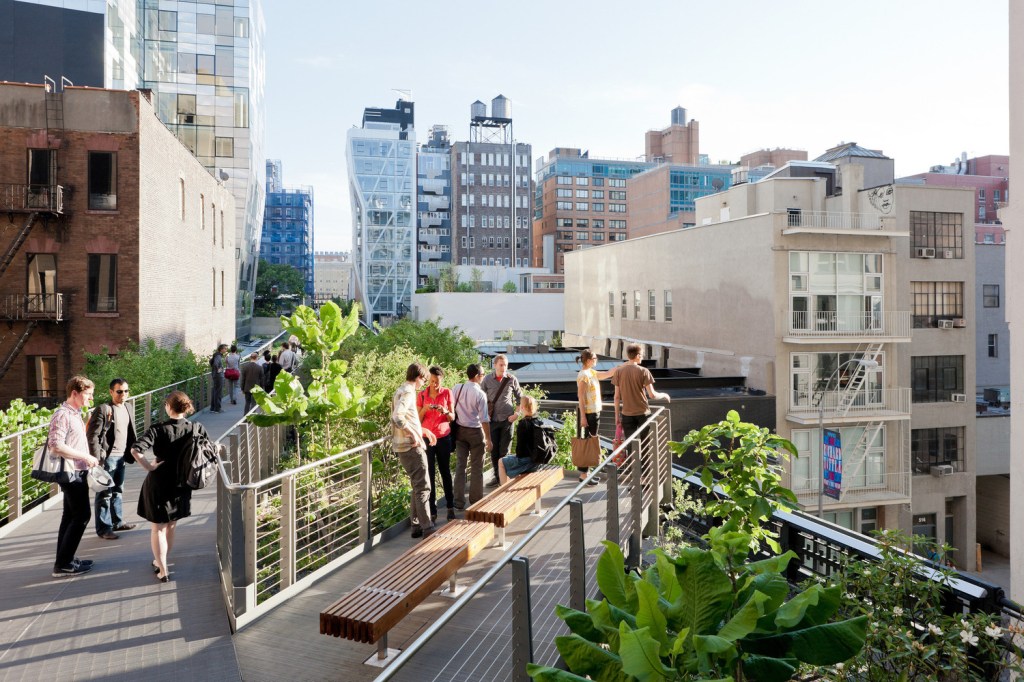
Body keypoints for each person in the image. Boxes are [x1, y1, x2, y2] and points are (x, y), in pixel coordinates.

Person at [133, 390, 210, 582]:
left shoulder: (158, 429)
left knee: (158, 527)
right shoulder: (196, 427)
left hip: (159, 482)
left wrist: (149, 466)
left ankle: (162, 568)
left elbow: (135, 449)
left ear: (168, 407)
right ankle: (161, 563)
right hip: (182, 482)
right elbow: (209, 448)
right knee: (172, 525)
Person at [48, 376, 100, 577]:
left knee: (69, 516)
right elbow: (56, 445)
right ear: (75, 393)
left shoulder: (75, 413)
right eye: (88, 394)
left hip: (77, 471)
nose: (90, 398)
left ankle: (64, 560)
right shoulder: (62, 415)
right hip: (71, 473)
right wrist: (86, 456)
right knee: (81, 516)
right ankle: (63, 564)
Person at [87, 378, 138, 539]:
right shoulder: (104, 409)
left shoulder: (128, 407)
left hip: (122, 456)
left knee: (117, 491)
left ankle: (117, 522)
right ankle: (104, 529)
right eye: (119, 391)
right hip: (108, 458)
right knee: (104, 494)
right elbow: (92, 435)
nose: (123, 394)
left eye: (126, 391)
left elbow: (130, 432)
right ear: (111, 392)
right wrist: (97, 459)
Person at [391, 363, 437, 539]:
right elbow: (398, 417)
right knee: (423, 486)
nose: (423, 384)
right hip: (412, 447)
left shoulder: (400, 390)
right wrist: (414, 435)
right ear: (418, 377)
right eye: (424, 380)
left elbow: (407, 418)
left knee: (416, 486)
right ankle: (428, 528)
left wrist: (422, 431)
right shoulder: (410, 392)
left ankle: (416, 525)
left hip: (402, 446)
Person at [612, 344, 670, 456]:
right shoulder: (644, 371)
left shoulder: (618, 372)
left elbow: (616, 397)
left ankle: (632, 471)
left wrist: (617, 417)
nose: (642, 357)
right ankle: (645, 472)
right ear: (637, 355)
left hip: (626, 414)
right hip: (643, 413)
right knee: (645, 446)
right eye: (642, 355)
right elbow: (652, 395)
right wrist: (664, 394)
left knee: (630, 445)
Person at [417, 366, 455, 522]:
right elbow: (417, 420)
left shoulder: (447, 393)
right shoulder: (422, 395)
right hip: (427, 438)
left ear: (442, 380)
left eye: (437, 381)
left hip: (443, 437)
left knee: (445, 472)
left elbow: (452, 417)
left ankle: (450, 507)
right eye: (432, 381)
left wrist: (444, 411)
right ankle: (432, 511)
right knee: (429, 474)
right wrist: (425, 409)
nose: (434, 384)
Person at [451, 364, 492, 509]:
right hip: (475, 432)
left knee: (460, 467)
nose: (483, 376)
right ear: (476, 376)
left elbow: (450, 407)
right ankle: (475, 502)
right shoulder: (480, 394)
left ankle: (458, 502)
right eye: (482, 374)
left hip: (460, 431)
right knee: (476, 468)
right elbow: (484, 419)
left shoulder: (457, 388)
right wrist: (488, 438)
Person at [575, 349, 618, 485]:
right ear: (588, 361)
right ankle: (583, 475)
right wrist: (583, 417)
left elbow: (607, 374)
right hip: (588, 413)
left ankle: (586, 475)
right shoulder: (583, 375)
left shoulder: (591, 373)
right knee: (587, 444)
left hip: (593, 412)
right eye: (594, 359)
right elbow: (580, 398)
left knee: (590, 443)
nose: (596, 361)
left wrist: (623, 366)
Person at [481, 354, 522, 487]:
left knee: (505, 451)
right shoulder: (487, 379)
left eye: (505, 365)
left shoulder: (511, 379)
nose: (504, 367)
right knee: (494, 450)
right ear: (495, 365)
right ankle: (497, 478)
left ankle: (506, 478)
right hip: (491, 420)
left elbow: (520, 398)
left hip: (507, 420)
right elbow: (480, 398)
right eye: (501, 365)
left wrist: (517, 414)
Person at [497, 396, 544, 484]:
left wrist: (516, 455)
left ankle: (503, 490)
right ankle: (509, 486)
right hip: (537, 461)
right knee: (510, 459)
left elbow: (521, 450)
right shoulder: (538, 421)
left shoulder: (523, 424)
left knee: (501, 462)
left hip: (528, 461)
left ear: (522, 407)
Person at [210, 344, 227, 413]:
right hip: (219, 376)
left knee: (215, 391)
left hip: (215, 376)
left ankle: (213, 408)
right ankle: (217, 409)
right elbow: (215, 364)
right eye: (225, 349)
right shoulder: (218, 356)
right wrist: (219, 369)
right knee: (218, 392)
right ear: (221, 349)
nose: (226, 350)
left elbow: (211, 362)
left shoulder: (216, 355)